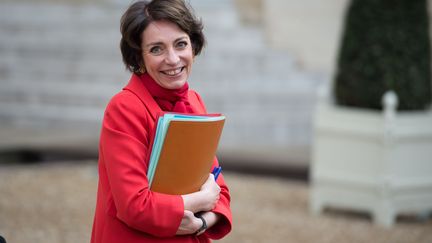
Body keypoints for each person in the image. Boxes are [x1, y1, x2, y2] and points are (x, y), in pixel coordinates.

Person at [90, 0, 232, 242]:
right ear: (138, 57)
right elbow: (135, 205)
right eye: (157, 49)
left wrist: (199, 223)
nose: (173, 59)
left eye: (180, 44)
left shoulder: (194, 100)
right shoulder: (124, 108)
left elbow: (220, 189)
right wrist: (198, 201)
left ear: (193, 46)